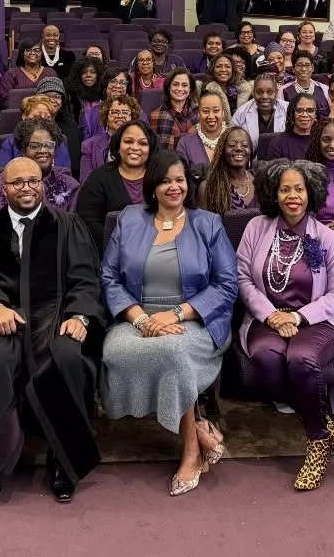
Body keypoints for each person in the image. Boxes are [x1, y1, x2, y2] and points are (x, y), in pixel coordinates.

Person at [0, 156, 105, 505]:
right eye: (18, 182)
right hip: (1, 318)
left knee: (67, 356)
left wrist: (79, 316)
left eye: (34, 181)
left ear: (43, 185)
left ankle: (63, 459)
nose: (27, 188)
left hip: (54, 316)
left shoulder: (68, 225)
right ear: (4, 188)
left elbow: (85, 278)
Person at [100, 152, 237, 495]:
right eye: (165, 181)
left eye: (180, 180)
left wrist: (175, 314)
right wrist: (141, 318)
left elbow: (226, 285)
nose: (174, 187)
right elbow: (109, 277)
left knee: (174, 352)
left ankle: (190, 451)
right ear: (152, 186)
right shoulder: (129, 219)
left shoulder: (208, 223)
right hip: (137, 318)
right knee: (115, 352)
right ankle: (200, 427)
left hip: (196, 319)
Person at [234, 160, 334, 489]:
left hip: (317, 319)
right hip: (267, 317)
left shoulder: (326, 236)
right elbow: (242, 279)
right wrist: (271, 315)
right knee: (266, 357)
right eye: (284, 189)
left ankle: (317, 442)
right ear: (273, 193)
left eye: (299, 189)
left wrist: (298, 317)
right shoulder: (256, 227)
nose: (292, 196)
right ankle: (324, 425)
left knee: (301, 359)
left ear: (310, 192)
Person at [77, 121, 154, 249]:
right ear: (118, 145)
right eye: (128, 141)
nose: (135, 147)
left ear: (150, 148)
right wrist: (120, 246)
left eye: (143, 143)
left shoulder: (160, 176)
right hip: (110, 251)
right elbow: (88, 221)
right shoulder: (99, 177)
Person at [197, 127, 257, 214]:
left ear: (250, 151)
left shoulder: (261, 181)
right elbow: (204, 222)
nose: (239, 148)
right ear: (222, 151)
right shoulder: (208, 187)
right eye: (232, 145)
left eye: (244, 145)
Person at [81, 95, 139, 181]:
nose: (120, 116)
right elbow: (86, 181)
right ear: (106, 117)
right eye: (114, 112)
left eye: (125, 112)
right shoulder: (90, 145)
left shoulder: (141, 145)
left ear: (132, 118)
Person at [175, 88, 230, 169]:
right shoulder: (185, 143)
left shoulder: (234, 139)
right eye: (205, 111)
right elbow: (180, 173)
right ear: (198, 115)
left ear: (223, 113)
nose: (211, 116)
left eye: (216, 111)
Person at [231, 72, 288, 145]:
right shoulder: (241, 113)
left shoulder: (287, 109)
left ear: (276, 93)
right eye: (259, 92)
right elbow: (232, 140)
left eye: (270, 92)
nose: (264, 96)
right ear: (253, 93)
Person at [148, 69, 197, 151]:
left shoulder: (200, 113)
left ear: (190, 89)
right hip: (167, 158)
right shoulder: (154, 116)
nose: (180, 89)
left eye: (184, 85)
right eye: (175, 84)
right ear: (168, 87)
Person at [261, 93, 319, 161]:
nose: (305, 115)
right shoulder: (278, 142)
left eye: (311, 111)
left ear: (316, 115)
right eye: (299, 110)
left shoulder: (321, 141)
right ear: (292, 114)